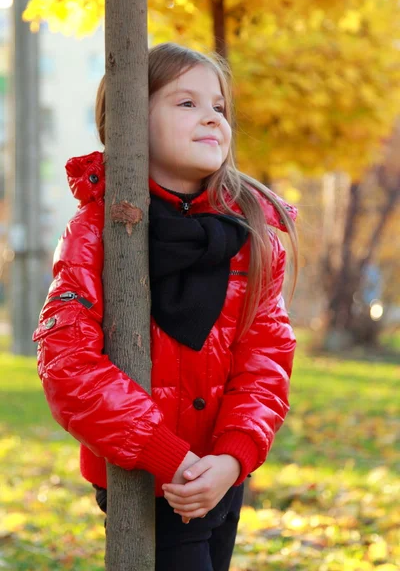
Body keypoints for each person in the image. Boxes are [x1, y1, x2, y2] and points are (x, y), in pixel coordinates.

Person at [32, 42, 298, 571]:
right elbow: (67, 363)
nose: (211, 118)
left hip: (221, 479)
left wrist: (232, 457)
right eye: (186, 103)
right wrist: (165, 456)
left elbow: (266, 360)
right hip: (147, 480)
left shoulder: (251, 241)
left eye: (218, 107)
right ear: (131, 118)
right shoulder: (95, 234)